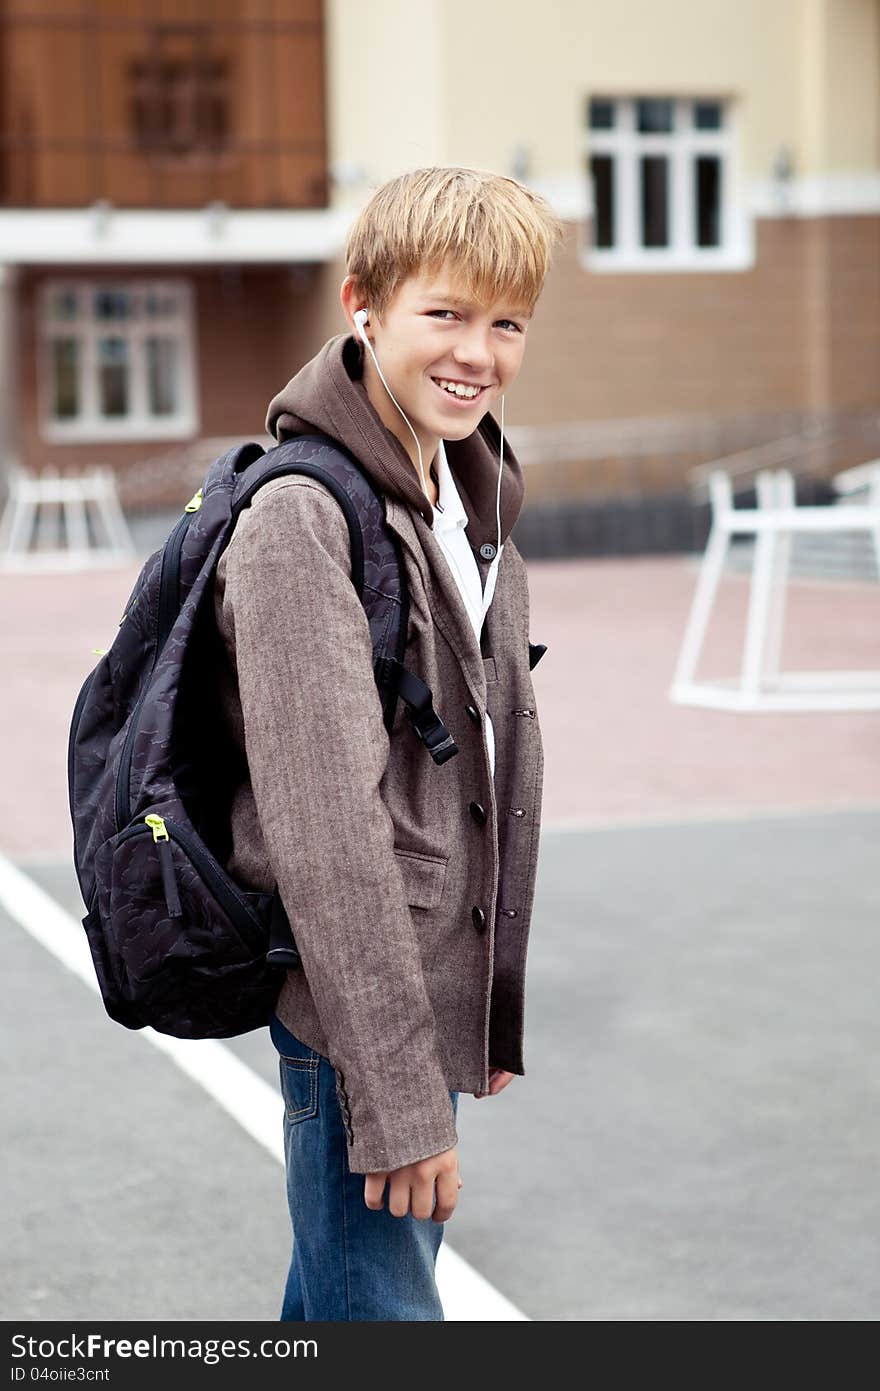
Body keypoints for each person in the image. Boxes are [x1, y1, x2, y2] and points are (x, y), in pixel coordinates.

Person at [212, 165, 564, 1321]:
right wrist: (400, 1099)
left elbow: (489, 759)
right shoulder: (301, 518)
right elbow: (323, 838)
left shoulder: (465, 492)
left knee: (334, 1310)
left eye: (505, 322)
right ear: (362, 302)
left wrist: (490, 998)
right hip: (359, 1027)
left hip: (413, 1007)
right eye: (446, 314)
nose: (479, 352)